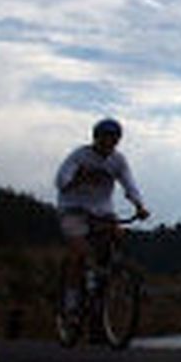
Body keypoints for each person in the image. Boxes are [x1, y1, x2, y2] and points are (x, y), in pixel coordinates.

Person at [55, 118, 150, 311]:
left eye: (114, 140)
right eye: (105, 138)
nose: (109, 143)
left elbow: (129, 184)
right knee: (79, 250)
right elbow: (61, 181)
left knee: (117, 235)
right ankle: (71, 298)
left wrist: (139, 205)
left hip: (102, 210)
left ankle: (107, 278)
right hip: (74, 208)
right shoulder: (80, 156)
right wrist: (77, 179)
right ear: (96, 138)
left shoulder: (118, 160)